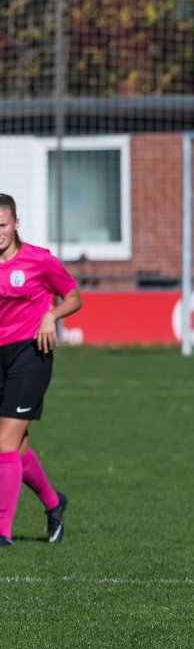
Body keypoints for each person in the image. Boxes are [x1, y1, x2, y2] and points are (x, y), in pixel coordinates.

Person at [0, 193, 82, 545]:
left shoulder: (39, 261)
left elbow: (74, 297)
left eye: (2, 225)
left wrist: (51, 315)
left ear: (16, 224)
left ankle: (1, 530)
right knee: (15, 449)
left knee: (3, 442)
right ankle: (53, 503)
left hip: (32, 355)